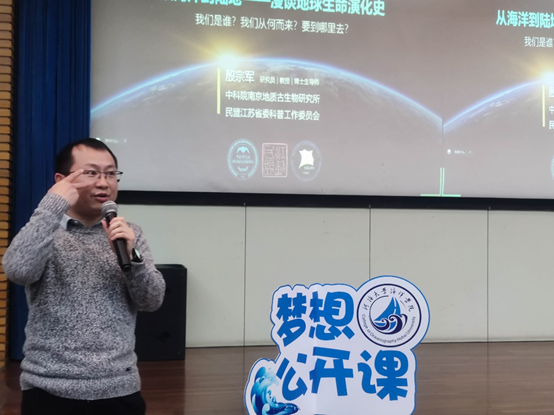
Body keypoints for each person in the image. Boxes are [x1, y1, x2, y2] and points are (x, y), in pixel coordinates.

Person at [2, 138, 166, 415]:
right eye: (91, 173)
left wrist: (133, 256)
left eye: (110, 174)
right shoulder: (44, 231)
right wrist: (52, 205)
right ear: (62, 181)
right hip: (49, 389)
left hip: (118, 387)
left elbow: (151, 301)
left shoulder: (129, 233)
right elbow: (18, 270)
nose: (103, 183)